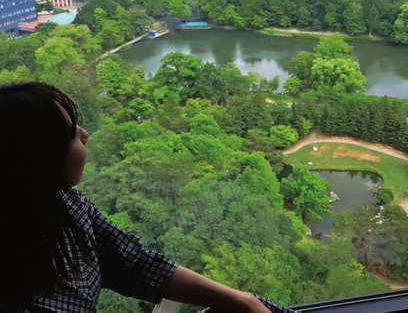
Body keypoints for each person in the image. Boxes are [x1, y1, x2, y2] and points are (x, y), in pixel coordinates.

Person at [0, 82, 291, 313]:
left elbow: (136, 265)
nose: (85, 134)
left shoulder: (69, 207)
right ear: (35, 155)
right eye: (70, 132)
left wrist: (240, 300)